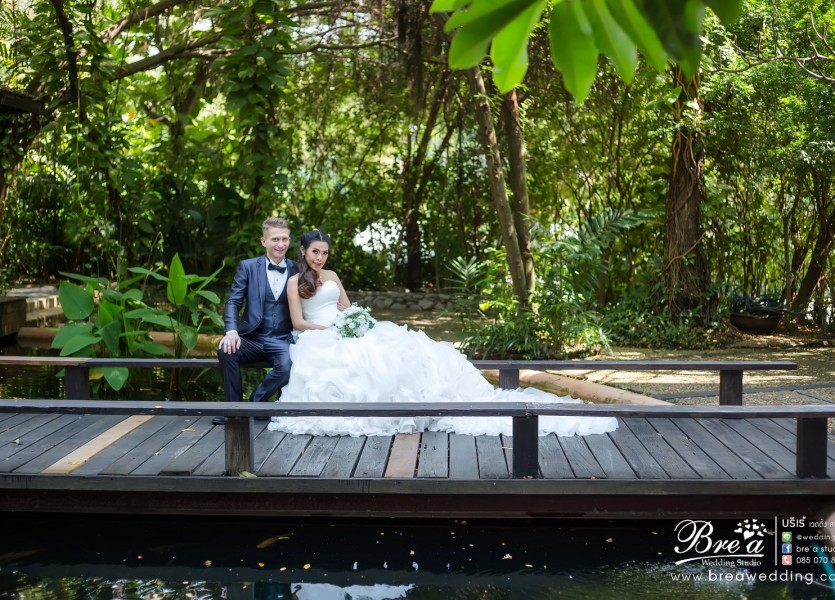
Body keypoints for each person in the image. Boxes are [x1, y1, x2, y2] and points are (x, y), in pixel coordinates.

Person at [267, 229, 618, 438]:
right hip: (317, 336)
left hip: (345, 329)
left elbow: (347, 307)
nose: (321, 258)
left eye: (325, 253)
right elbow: (298, 323)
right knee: (361, 366)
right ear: (303, 251)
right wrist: (333, 331)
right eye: (316, 252)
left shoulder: (332, 277)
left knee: (403, 349)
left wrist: (355, 322)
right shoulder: (295, 282)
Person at [216, 217, 298, 424]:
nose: (281, 244)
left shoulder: (298, 269)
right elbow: (233, 302)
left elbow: (313, 296)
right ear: (264, 241)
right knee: (226, 350)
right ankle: (234, 411)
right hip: (251, 337)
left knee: (287, 366)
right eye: (275, 239)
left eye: (285, 239)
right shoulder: (248, 267)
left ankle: (255, 403)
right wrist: (231, 332)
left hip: (281, 339)